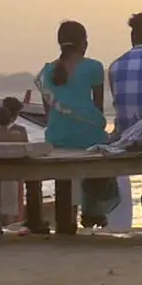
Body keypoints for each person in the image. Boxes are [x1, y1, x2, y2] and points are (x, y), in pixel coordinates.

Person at [35, 21, 115, 228]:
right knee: (102, 152)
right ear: (83, 43)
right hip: (88, 137)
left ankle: (64, 222)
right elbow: (98, 108)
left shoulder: (46, 71)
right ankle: (92, 212)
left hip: (57, 137)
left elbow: (47, 112)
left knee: (63, 177)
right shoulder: (94, 67)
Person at [0, 100, 28, 225]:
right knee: (14, 202)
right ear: (15, 115)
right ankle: (13, 224)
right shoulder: (20, 131)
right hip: (15, 170)